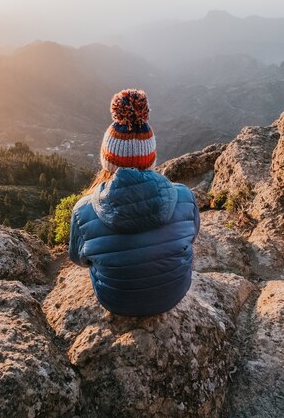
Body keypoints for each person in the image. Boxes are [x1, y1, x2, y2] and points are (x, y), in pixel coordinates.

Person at [68, 89, 200, 317]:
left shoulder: (84, 210)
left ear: (106, 160)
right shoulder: (185, 196)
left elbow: (78, 259)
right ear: (151, 159)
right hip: (174, 293)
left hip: (116, 301)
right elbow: (191, 236)